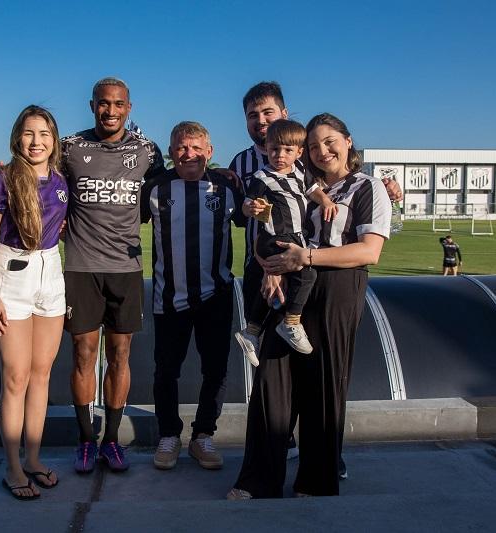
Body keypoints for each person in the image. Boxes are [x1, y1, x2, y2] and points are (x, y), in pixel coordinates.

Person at [0, 78, 164, 474]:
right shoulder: (69, 147)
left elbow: (164, 188)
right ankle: (86, 440)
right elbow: (33, 169)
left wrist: (226, 179)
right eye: (103, 104)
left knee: (120, 355)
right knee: (83, 354)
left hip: (126, 270)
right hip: (80, 267)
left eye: (118, 104)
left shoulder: (148, 150)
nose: (111, 111)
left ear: (129, 107)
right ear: (92, 105)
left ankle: (111, 441)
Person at [229, 112, 391, 499]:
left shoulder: (367, 187)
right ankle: (258, 480)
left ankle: (316, 482)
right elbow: (270, 229)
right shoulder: (302, 185)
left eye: (330, 141)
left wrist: (307, 258)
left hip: (336, 287)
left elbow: (370, 252)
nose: (323, 150)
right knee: (272, 379)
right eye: (315, 145)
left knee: (323, 385)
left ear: (348, 142)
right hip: (292, 282)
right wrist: (271, 265)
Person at [141, 122, 245, 471]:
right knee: (165, 370)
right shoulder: (154, 188)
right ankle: (169, 434)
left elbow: (263, 210)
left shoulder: (228, 185)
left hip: (215, 294)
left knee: (215, 369)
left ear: (209, 152)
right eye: (181, 147)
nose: (189, 154)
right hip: (169, 296)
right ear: (171, 152)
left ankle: (203, 435)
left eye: (196, 147)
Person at [0, 105, 68, 500]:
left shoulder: (62, 180)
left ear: (54, 139)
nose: (36, 142)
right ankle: (12, 467)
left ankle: (33, 458)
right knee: (15, 377)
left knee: (42, 375)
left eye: (44, 134)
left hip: (51, 274)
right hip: (11, 276)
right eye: (29, 134)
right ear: (18, 137)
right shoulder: (2, 180)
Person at [236, 119, 337, 358]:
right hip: (273, 238)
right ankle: (291, 322)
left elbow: (314, 191)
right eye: (274, 149)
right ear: (267, 149)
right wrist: (250, 208)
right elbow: (247, 203)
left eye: (287, 150)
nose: (279, 155)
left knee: (275, 290)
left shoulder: (301, 171)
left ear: (298, 152)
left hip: (295, 237)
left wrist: (326, 201)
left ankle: (252, 331)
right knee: (307, 274)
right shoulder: (262, 176)